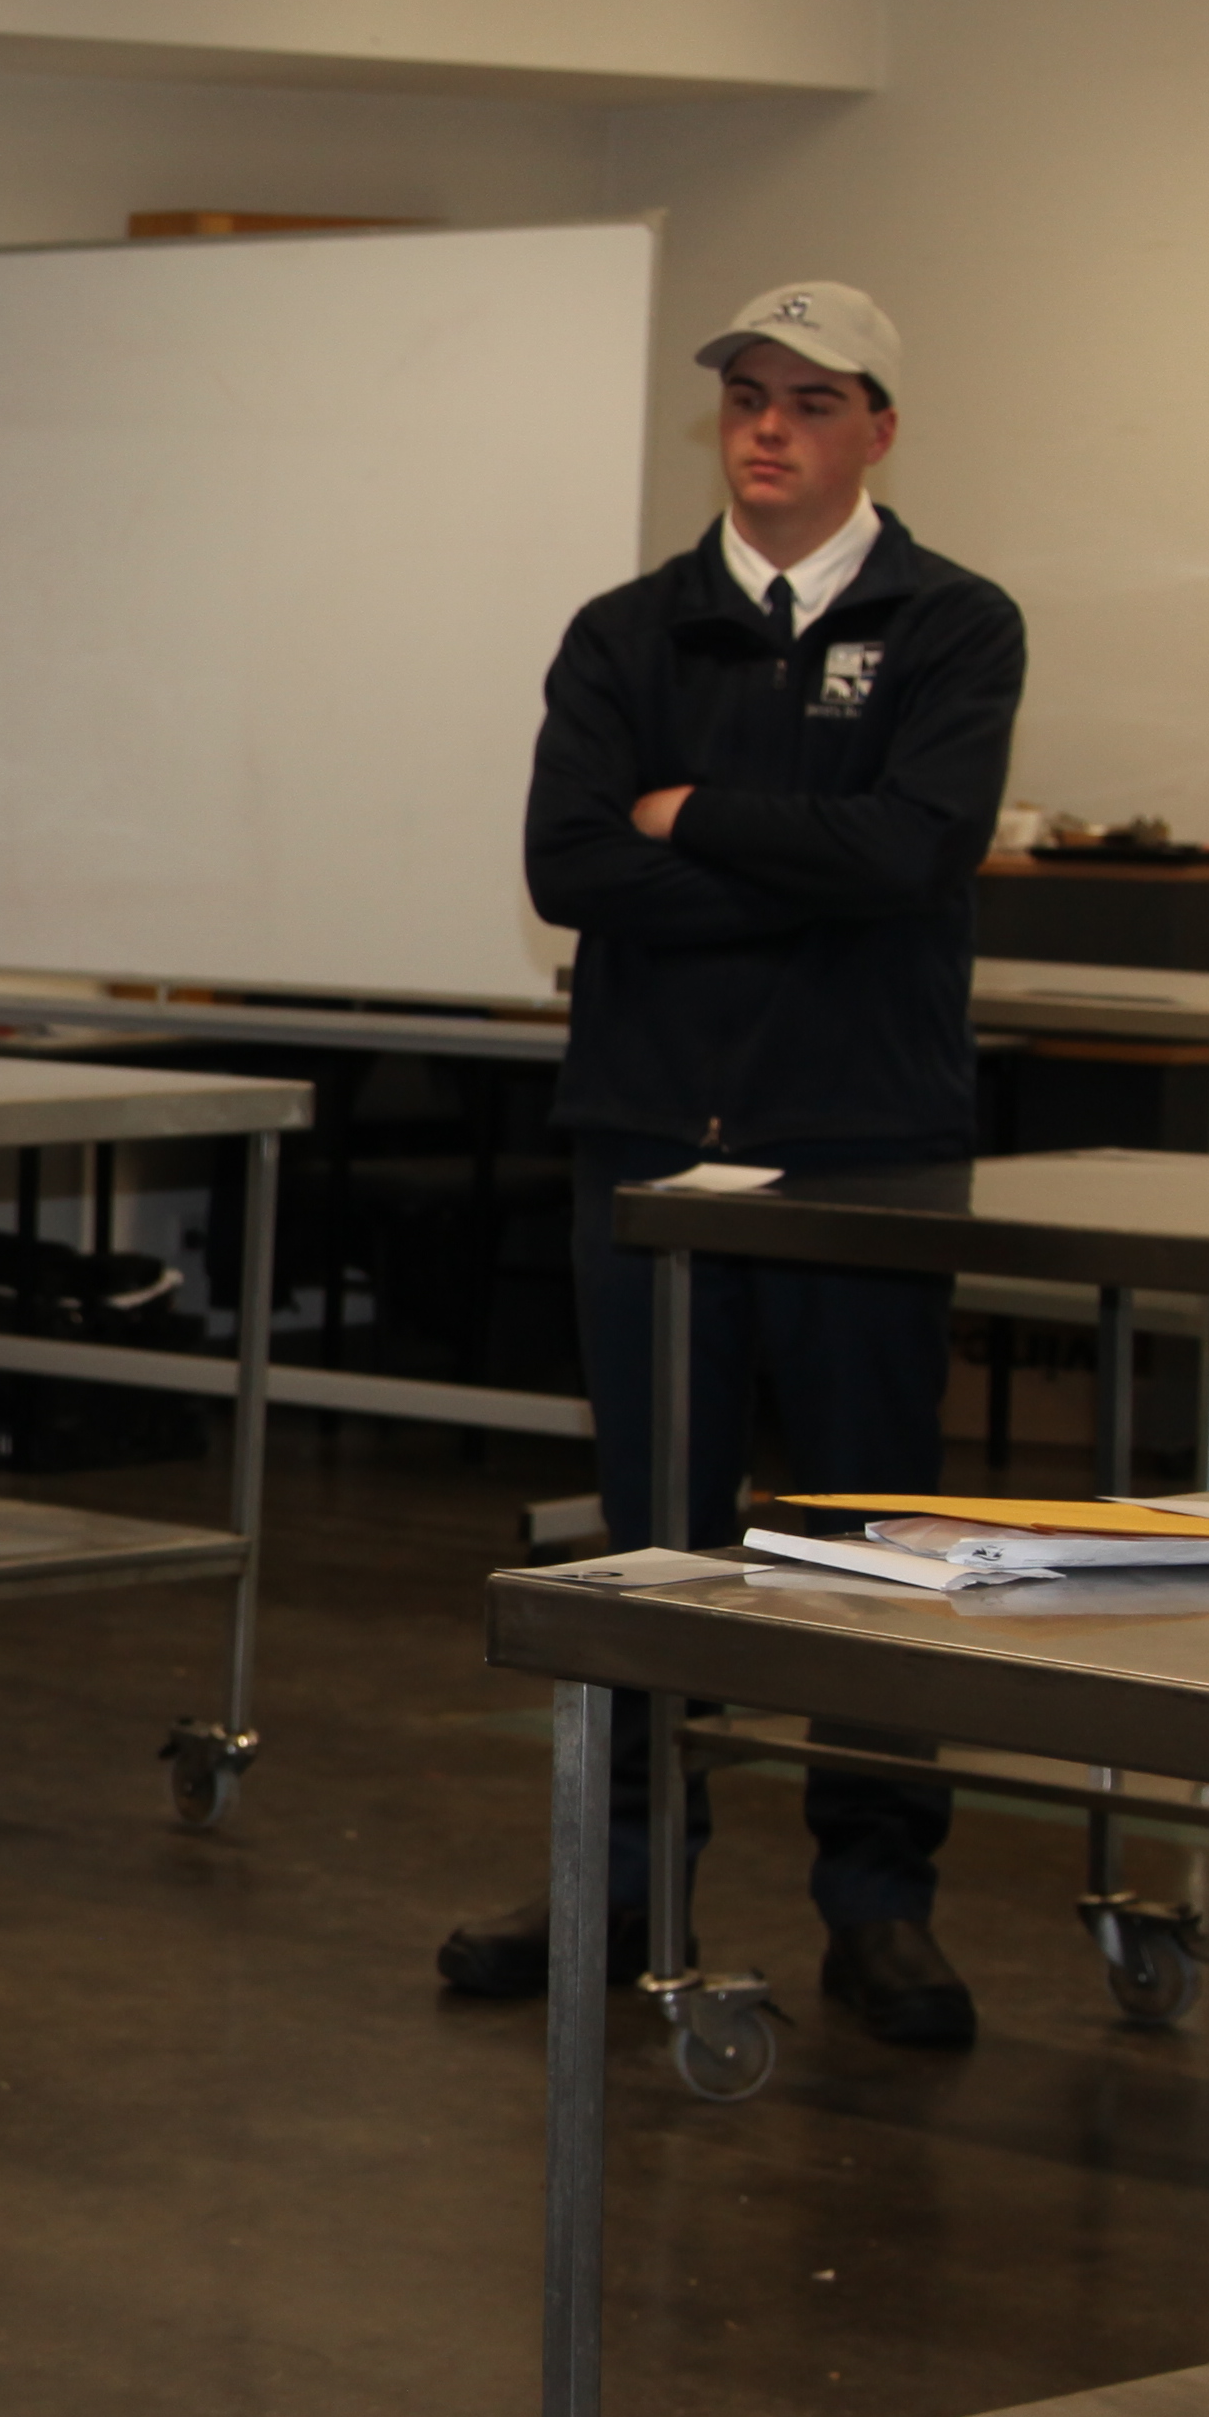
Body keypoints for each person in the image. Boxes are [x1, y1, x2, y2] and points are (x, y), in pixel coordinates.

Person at [439, 279, 1026, 2049]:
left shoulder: (952, 624)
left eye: (811, 401)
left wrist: (691, 820)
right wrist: (802, 861)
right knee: (660, 1540)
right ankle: (623, 1876)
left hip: (865, 1149)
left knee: (867, 1535)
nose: (768, 429)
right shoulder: (634, 633)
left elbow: (918, 853)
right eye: (747, 399)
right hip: (651, 1141)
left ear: (879, 430)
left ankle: (878, 1897)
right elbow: (567, 866)